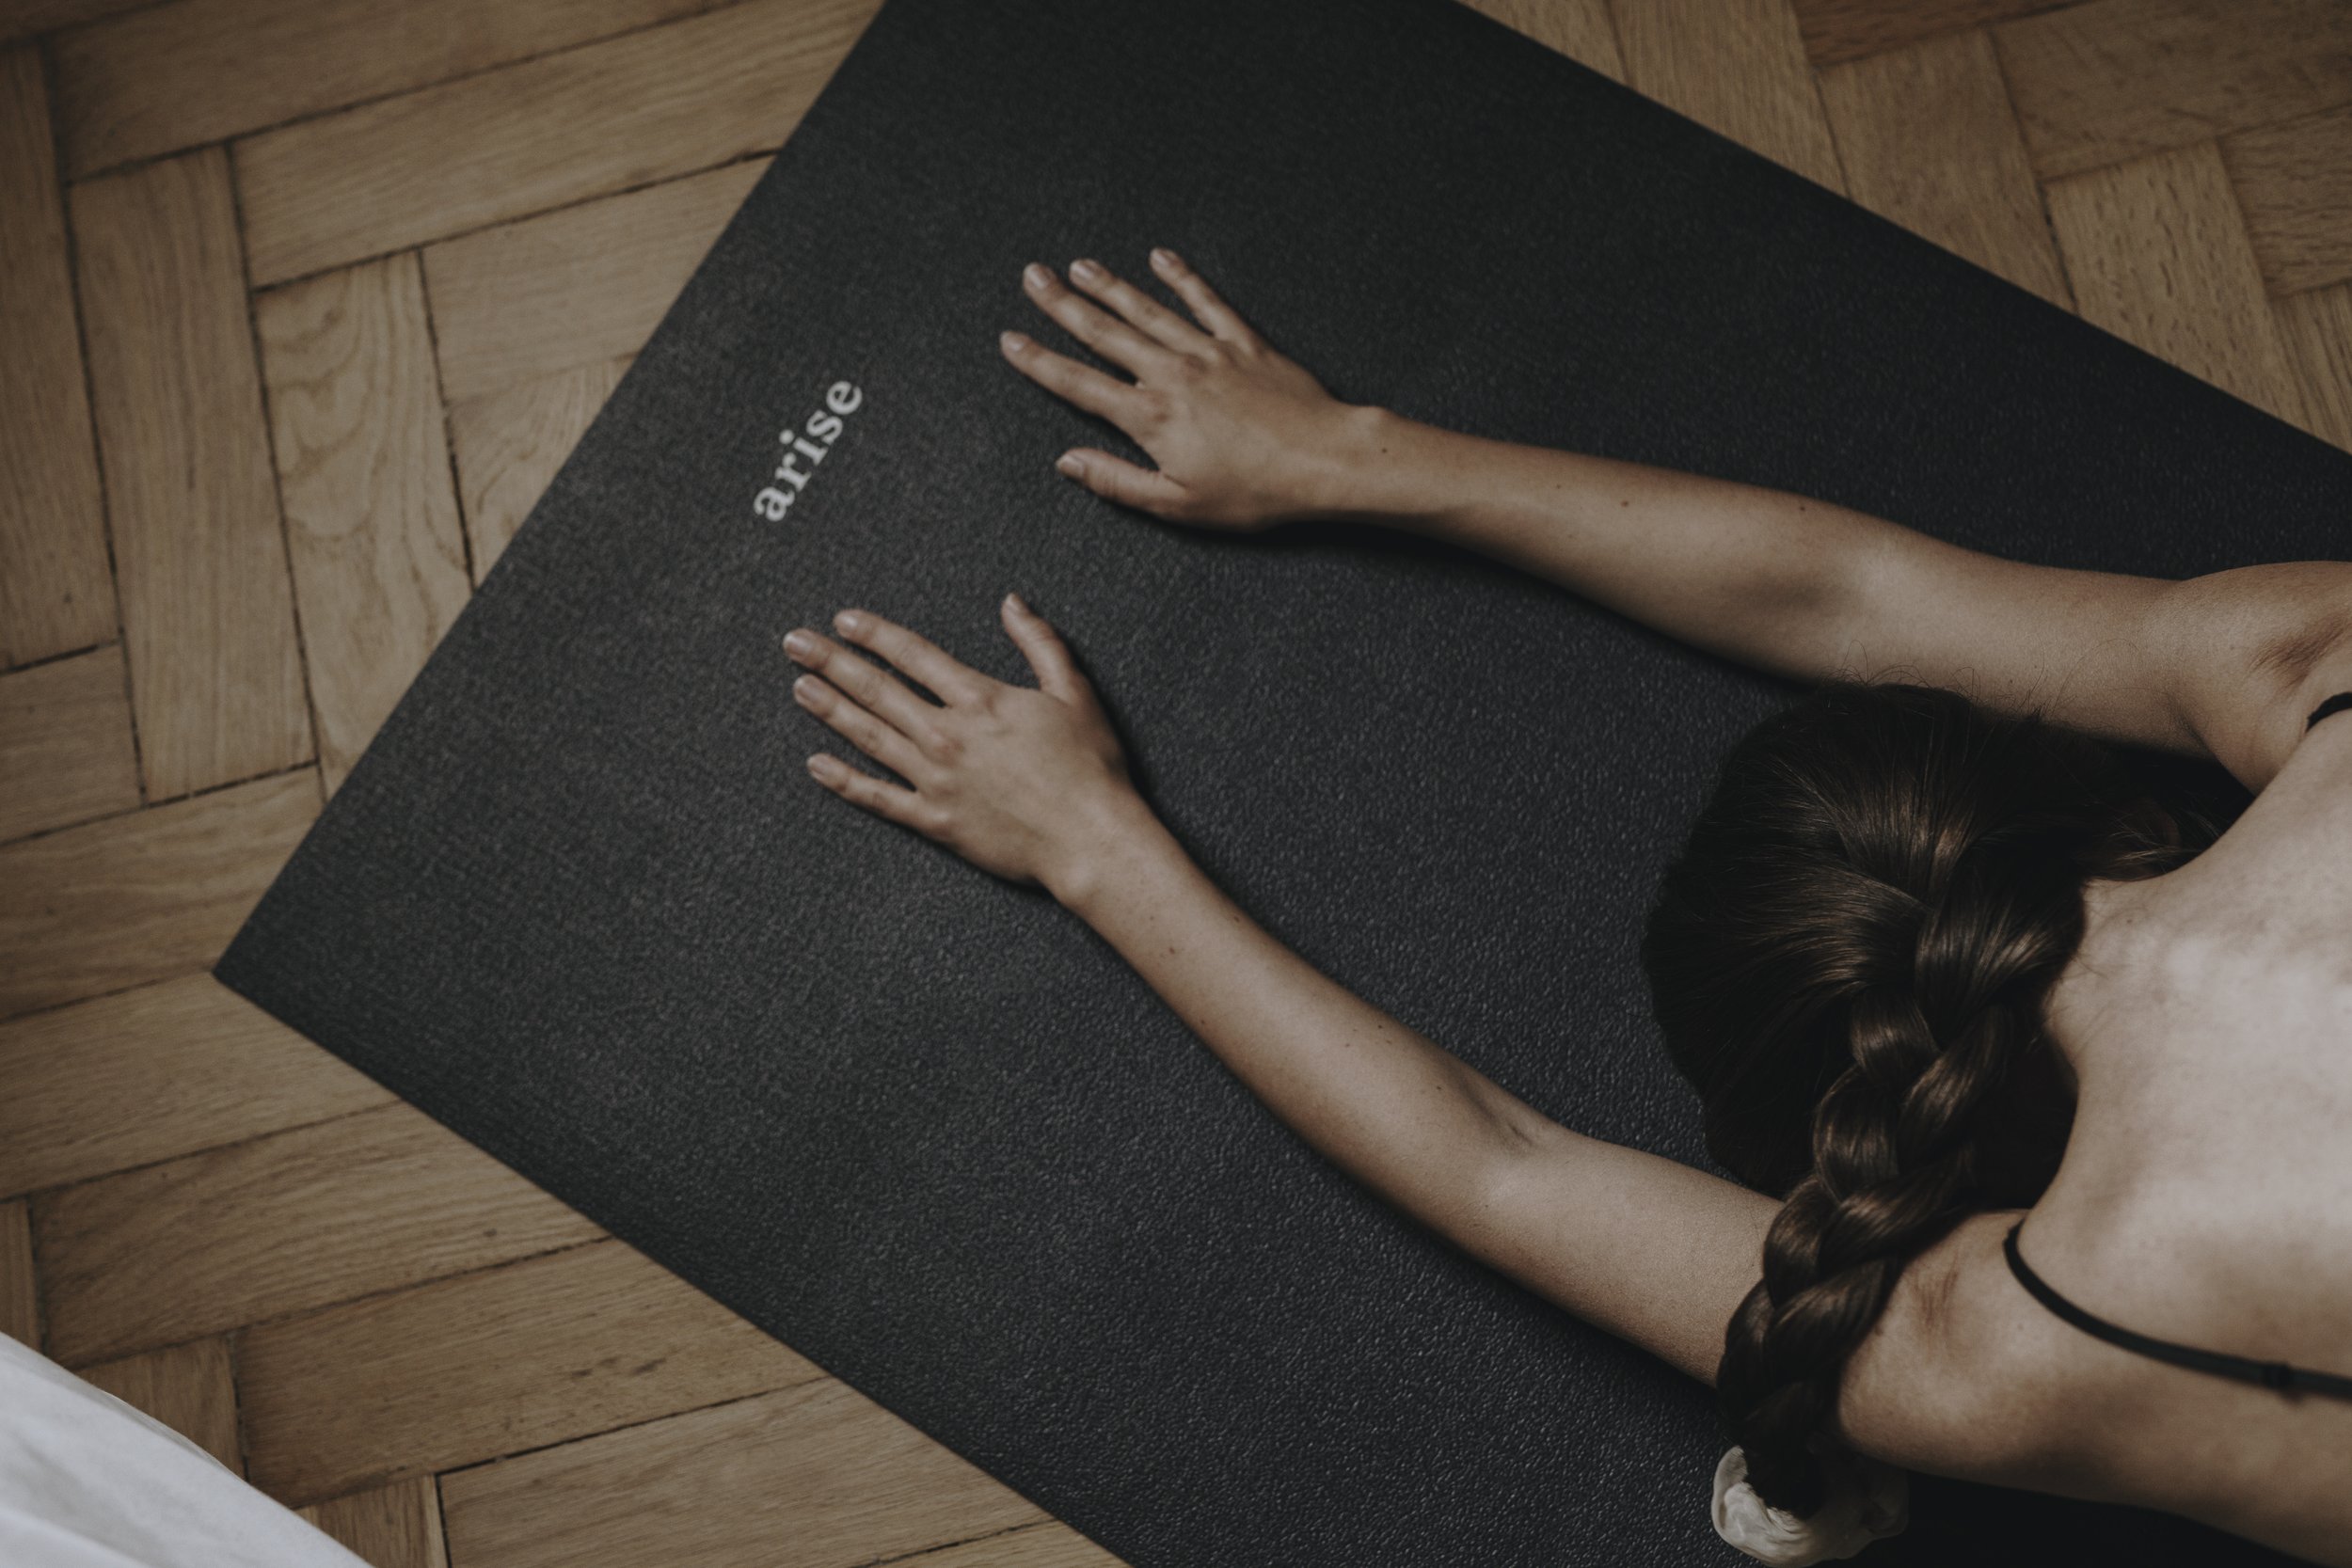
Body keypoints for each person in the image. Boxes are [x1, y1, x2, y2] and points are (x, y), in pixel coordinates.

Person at [777, 248, 2352, 1565]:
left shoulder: (2010, 1349)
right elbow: (1863, 596)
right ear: (2044, 764)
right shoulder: (2315, 669)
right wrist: (1360, 455)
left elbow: (1503, 1166)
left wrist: (1095, 846)